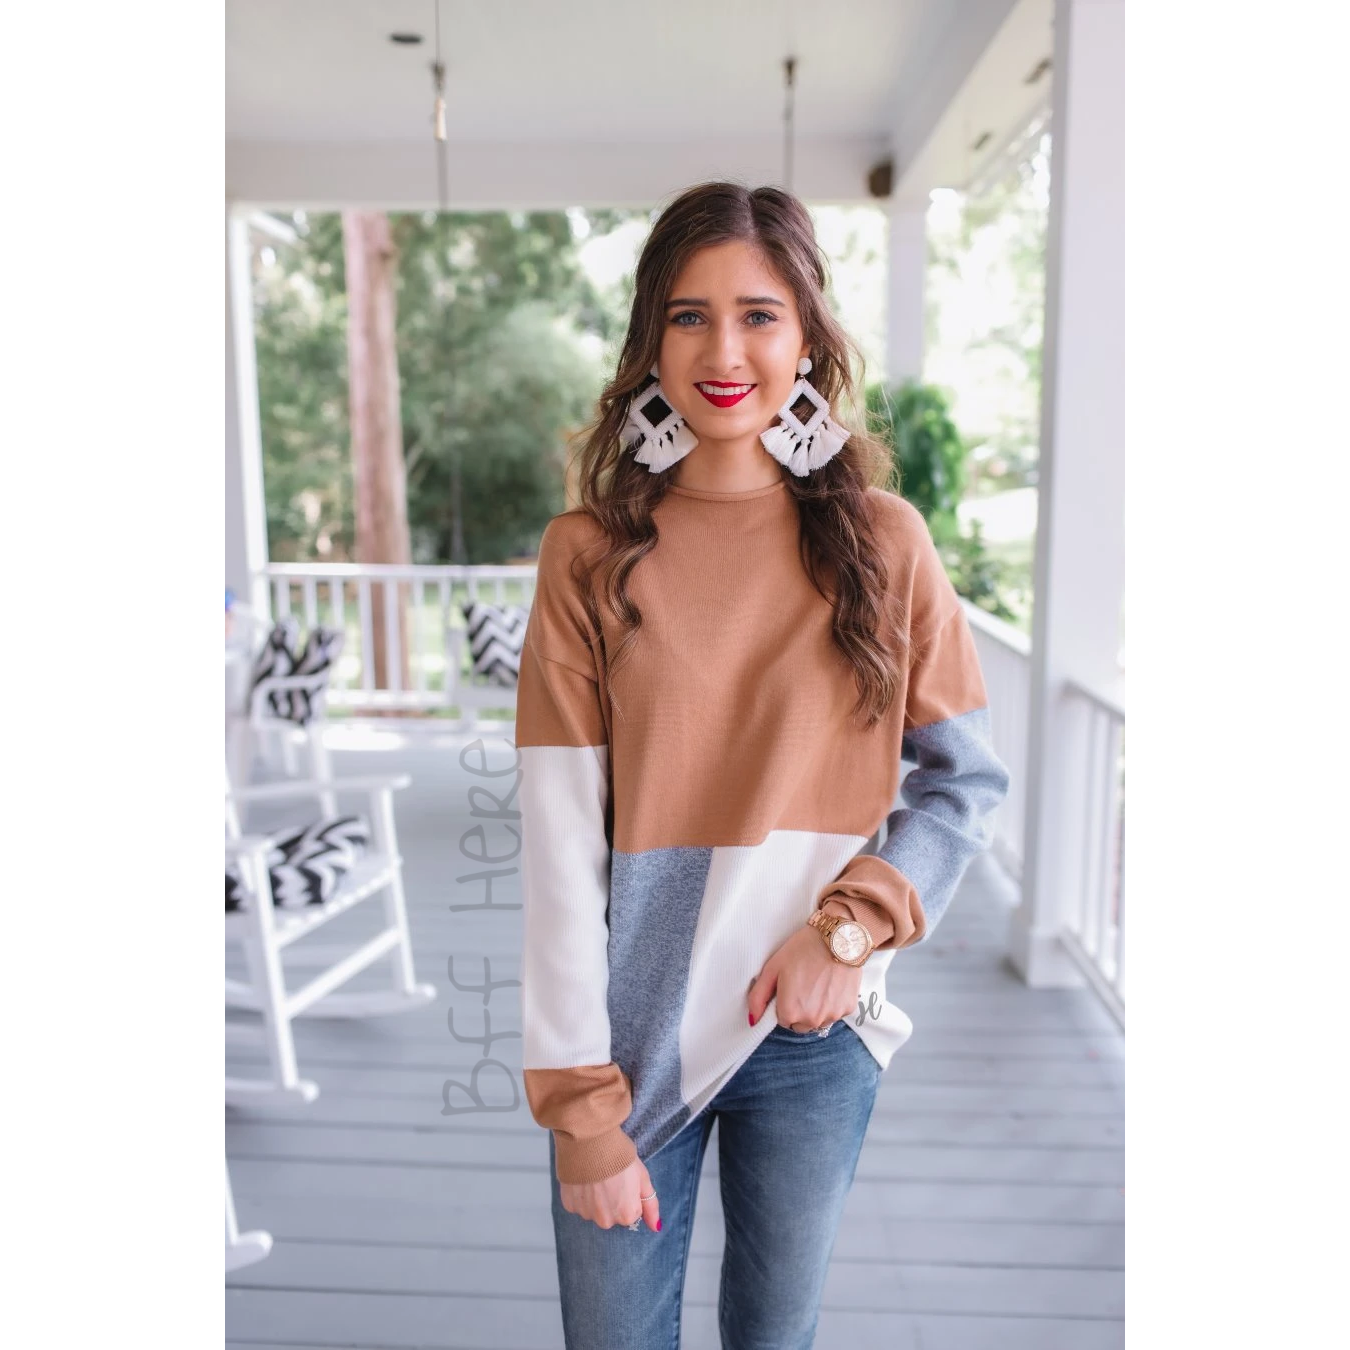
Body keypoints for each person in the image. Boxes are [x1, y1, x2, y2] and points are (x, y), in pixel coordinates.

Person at [515, 181, 1011, 1350]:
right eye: (688, 316)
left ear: (807, 340)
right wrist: (578, 1105)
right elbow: (557, 843)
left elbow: (963, 781)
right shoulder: (587, 555)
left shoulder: (885, 543)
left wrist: (848, 932)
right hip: (628, 1047)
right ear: (650, 342)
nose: (724, 351)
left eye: (759, 315)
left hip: (811, 1034)